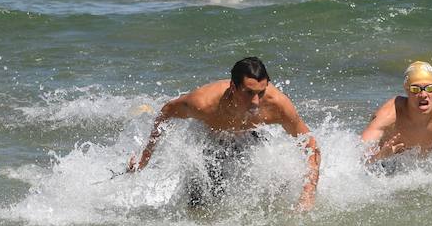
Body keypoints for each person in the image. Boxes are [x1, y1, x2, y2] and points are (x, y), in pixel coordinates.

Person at [127, 57, 321, 211]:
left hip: (250, 136)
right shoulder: (202, 104)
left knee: (273, 187)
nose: (255, 101)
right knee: (200, 205)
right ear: (233, 87)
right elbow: (167, 112)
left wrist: (308, 192)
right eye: (248, 93)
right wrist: (144, 160)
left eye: (261, 93)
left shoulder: (278, 106)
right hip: (210, 139)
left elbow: (309, 143)